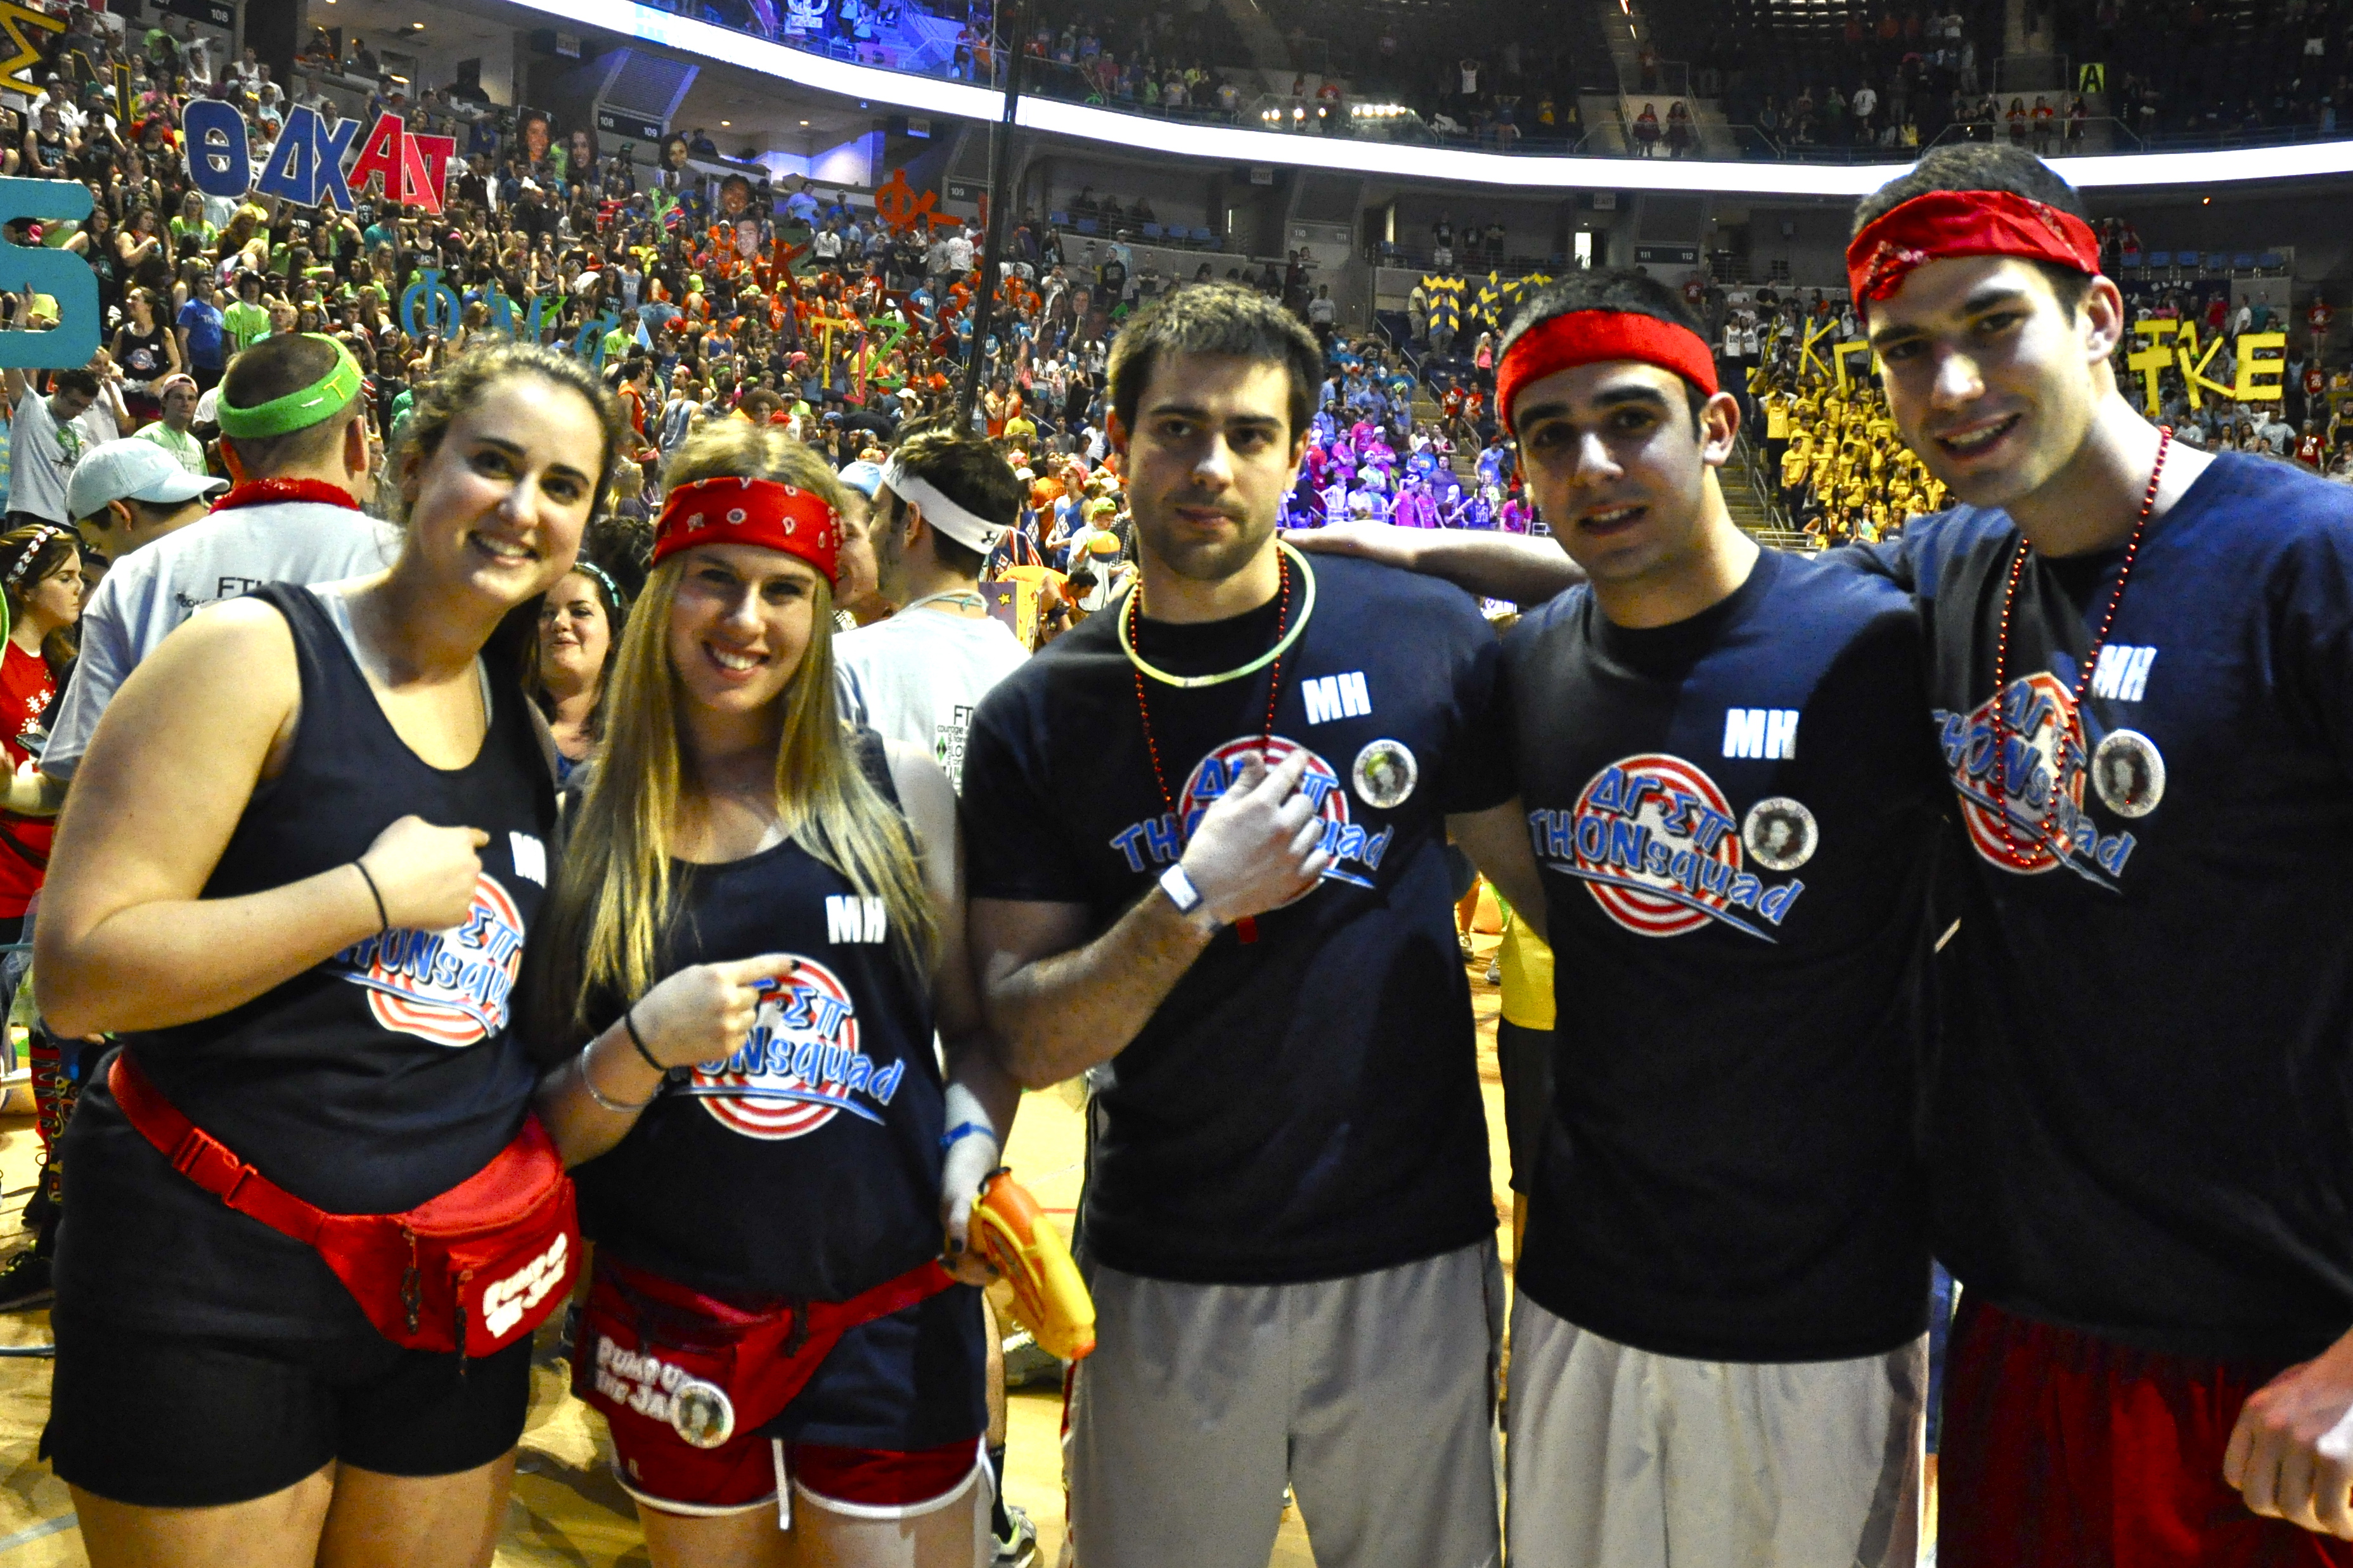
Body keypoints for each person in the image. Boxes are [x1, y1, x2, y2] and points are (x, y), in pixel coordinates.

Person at [31, 341, 659, 1566]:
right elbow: (80, 967)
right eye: (492, 462)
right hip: (211, 1275)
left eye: (563, 485)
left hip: (445, 1286)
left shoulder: (518, 721)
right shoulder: (251, 654)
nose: (522, 506)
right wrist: (363, 894)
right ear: (404, 463)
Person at [1840, 143, 2353, 1564]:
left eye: (1992, 323)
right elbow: (1699, 592)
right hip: (2021, 1335)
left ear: (2099, 316)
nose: (1951, 384)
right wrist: (1389, 566)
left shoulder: (2311, 562)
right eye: (1904, 349)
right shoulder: (1948, 568)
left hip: (2280, 1375)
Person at [962, 283, 1522, 1568]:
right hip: (1164, 1267)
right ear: (1116, 441)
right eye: (1175, 428)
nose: (1209, 464)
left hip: (1412, 1262)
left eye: (1247, 433)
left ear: (1295, 453)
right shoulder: (1041, 713)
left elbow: (1549, 903)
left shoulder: (1423, 637)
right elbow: (1029, 1035)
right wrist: (1189, 901)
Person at [1470, 271, 1942, 1568]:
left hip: (1821, 1309)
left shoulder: (1878, 644)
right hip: (1580, 1286)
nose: (1591, 464)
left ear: (1718, 426)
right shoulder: (1521, 669)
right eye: (1550, 436)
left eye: (1629, 419)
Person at [525, 421, 1020, 1565]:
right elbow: (547, 1129)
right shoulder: (585, 824)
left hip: (888, 1313)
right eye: (715, 577)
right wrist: (641, 1044)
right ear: (665, 589)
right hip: (676, 1324)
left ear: (823, 605)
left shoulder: (901, 790)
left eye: (784, 589)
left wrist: (971, 1153)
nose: (746, 618)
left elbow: (976, 1037)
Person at [835, 430, 1029, 794]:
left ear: (911, 522)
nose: (872, 531)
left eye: (877, 512)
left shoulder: (847, 664)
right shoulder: (1027, 672)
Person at [529, 559, 626, 788]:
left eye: (580, 612)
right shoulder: (497, 725)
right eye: (546, 613)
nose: (559, 623)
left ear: (613, 635)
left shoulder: (642, 731)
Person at [3, 368, 100, 528]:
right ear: (56, 391)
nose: (78, 412)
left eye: (85, 407)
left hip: (67, 519)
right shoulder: (30, 406)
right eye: (74, 403)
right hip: (30, 512)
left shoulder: (80, 425)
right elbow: (10, 365)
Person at [131, 373, 205, 477]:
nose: (186, 403)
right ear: (164, 402)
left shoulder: (196, 446)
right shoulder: (147, 437)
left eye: (191, 398)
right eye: (179, 397)